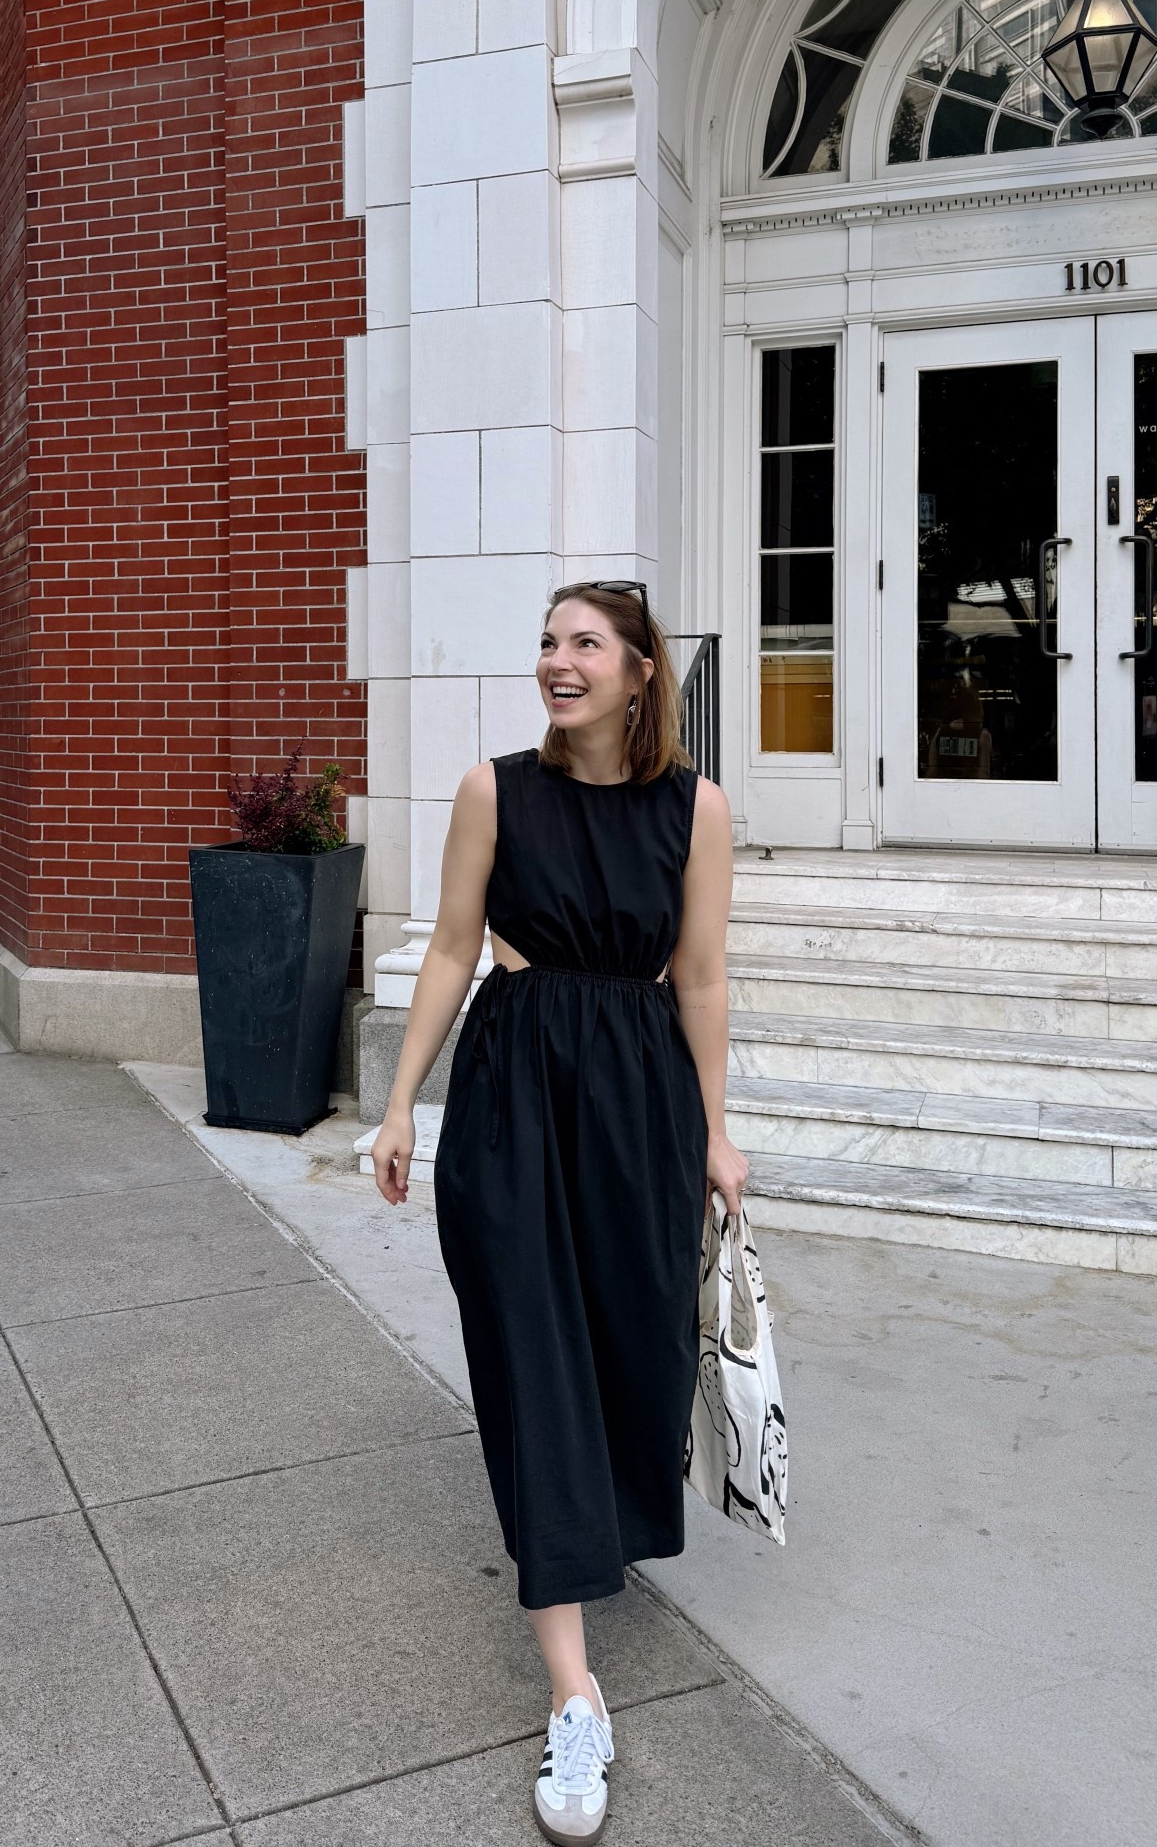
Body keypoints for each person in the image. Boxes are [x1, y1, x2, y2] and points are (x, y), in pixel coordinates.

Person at [370, 579, 747, 1843]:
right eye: (546, 640)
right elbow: (447, 948)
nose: (557, 661)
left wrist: (718, 1130)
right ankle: (575, 1693)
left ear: (642, 672)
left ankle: (600, 1531)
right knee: (536, 1355)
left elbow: (699, 974)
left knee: (625, 1344)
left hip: (639, 1098)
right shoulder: (494, 792)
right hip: (516, 1093)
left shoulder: (698, 811)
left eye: (586, 642)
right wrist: (399, 1103)